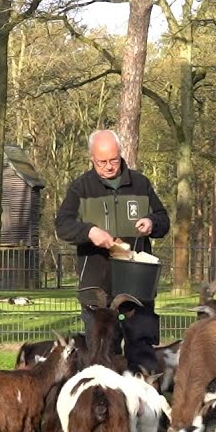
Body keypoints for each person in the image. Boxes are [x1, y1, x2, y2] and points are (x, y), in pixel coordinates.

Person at [55, 129, 170, 369]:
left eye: (114, 160)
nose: (109, 166)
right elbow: (63, 225)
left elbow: (163, 219)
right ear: (92, 159)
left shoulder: (140, 183)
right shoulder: (81, 188)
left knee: (141, 350)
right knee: (101, 356)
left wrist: (152, 222)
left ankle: (144, 401)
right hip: (97, 290)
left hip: (137, 289)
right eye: (102, 162)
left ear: (121, 154)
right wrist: (89, 232)